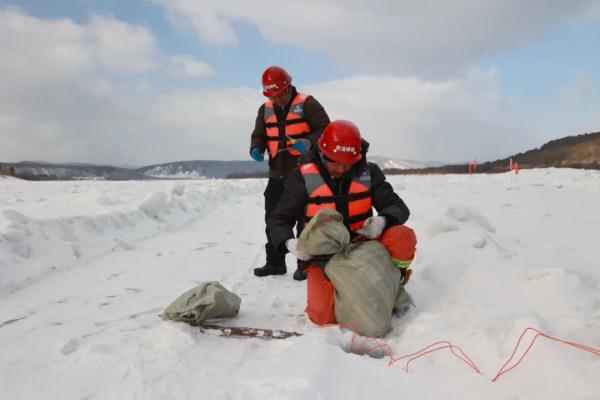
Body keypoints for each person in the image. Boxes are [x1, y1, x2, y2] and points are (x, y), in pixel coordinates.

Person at [268, 119, 417, 325]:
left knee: (403, 236)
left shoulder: (370, 172)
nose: (341, 168)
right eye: (334, 162)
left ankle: (392, 283)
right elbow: (278, 219)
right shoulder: (301, 176)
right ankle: (345, 290)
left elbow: (398, 207)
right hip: (322, 256)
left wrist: (382, 221)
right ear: (322, 152)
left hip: (363, 246)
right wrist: (291, 244)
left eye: (348, 163)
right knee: (322, 316)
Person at [250, 66, 330, 279]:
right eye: (272, 96)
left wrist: (308, 142)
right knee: (273, 219)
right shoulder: (264, 109)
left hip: (306, 173)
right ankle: (275, 263)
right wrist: (255, 148)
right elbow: (259, 134)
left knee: (306, 219)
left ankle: (305, 264)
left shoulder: (308, 103)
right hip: (277, 175)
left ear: (287, 88)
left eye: (279, 95)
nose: (276, 100)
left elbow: (326, 130)